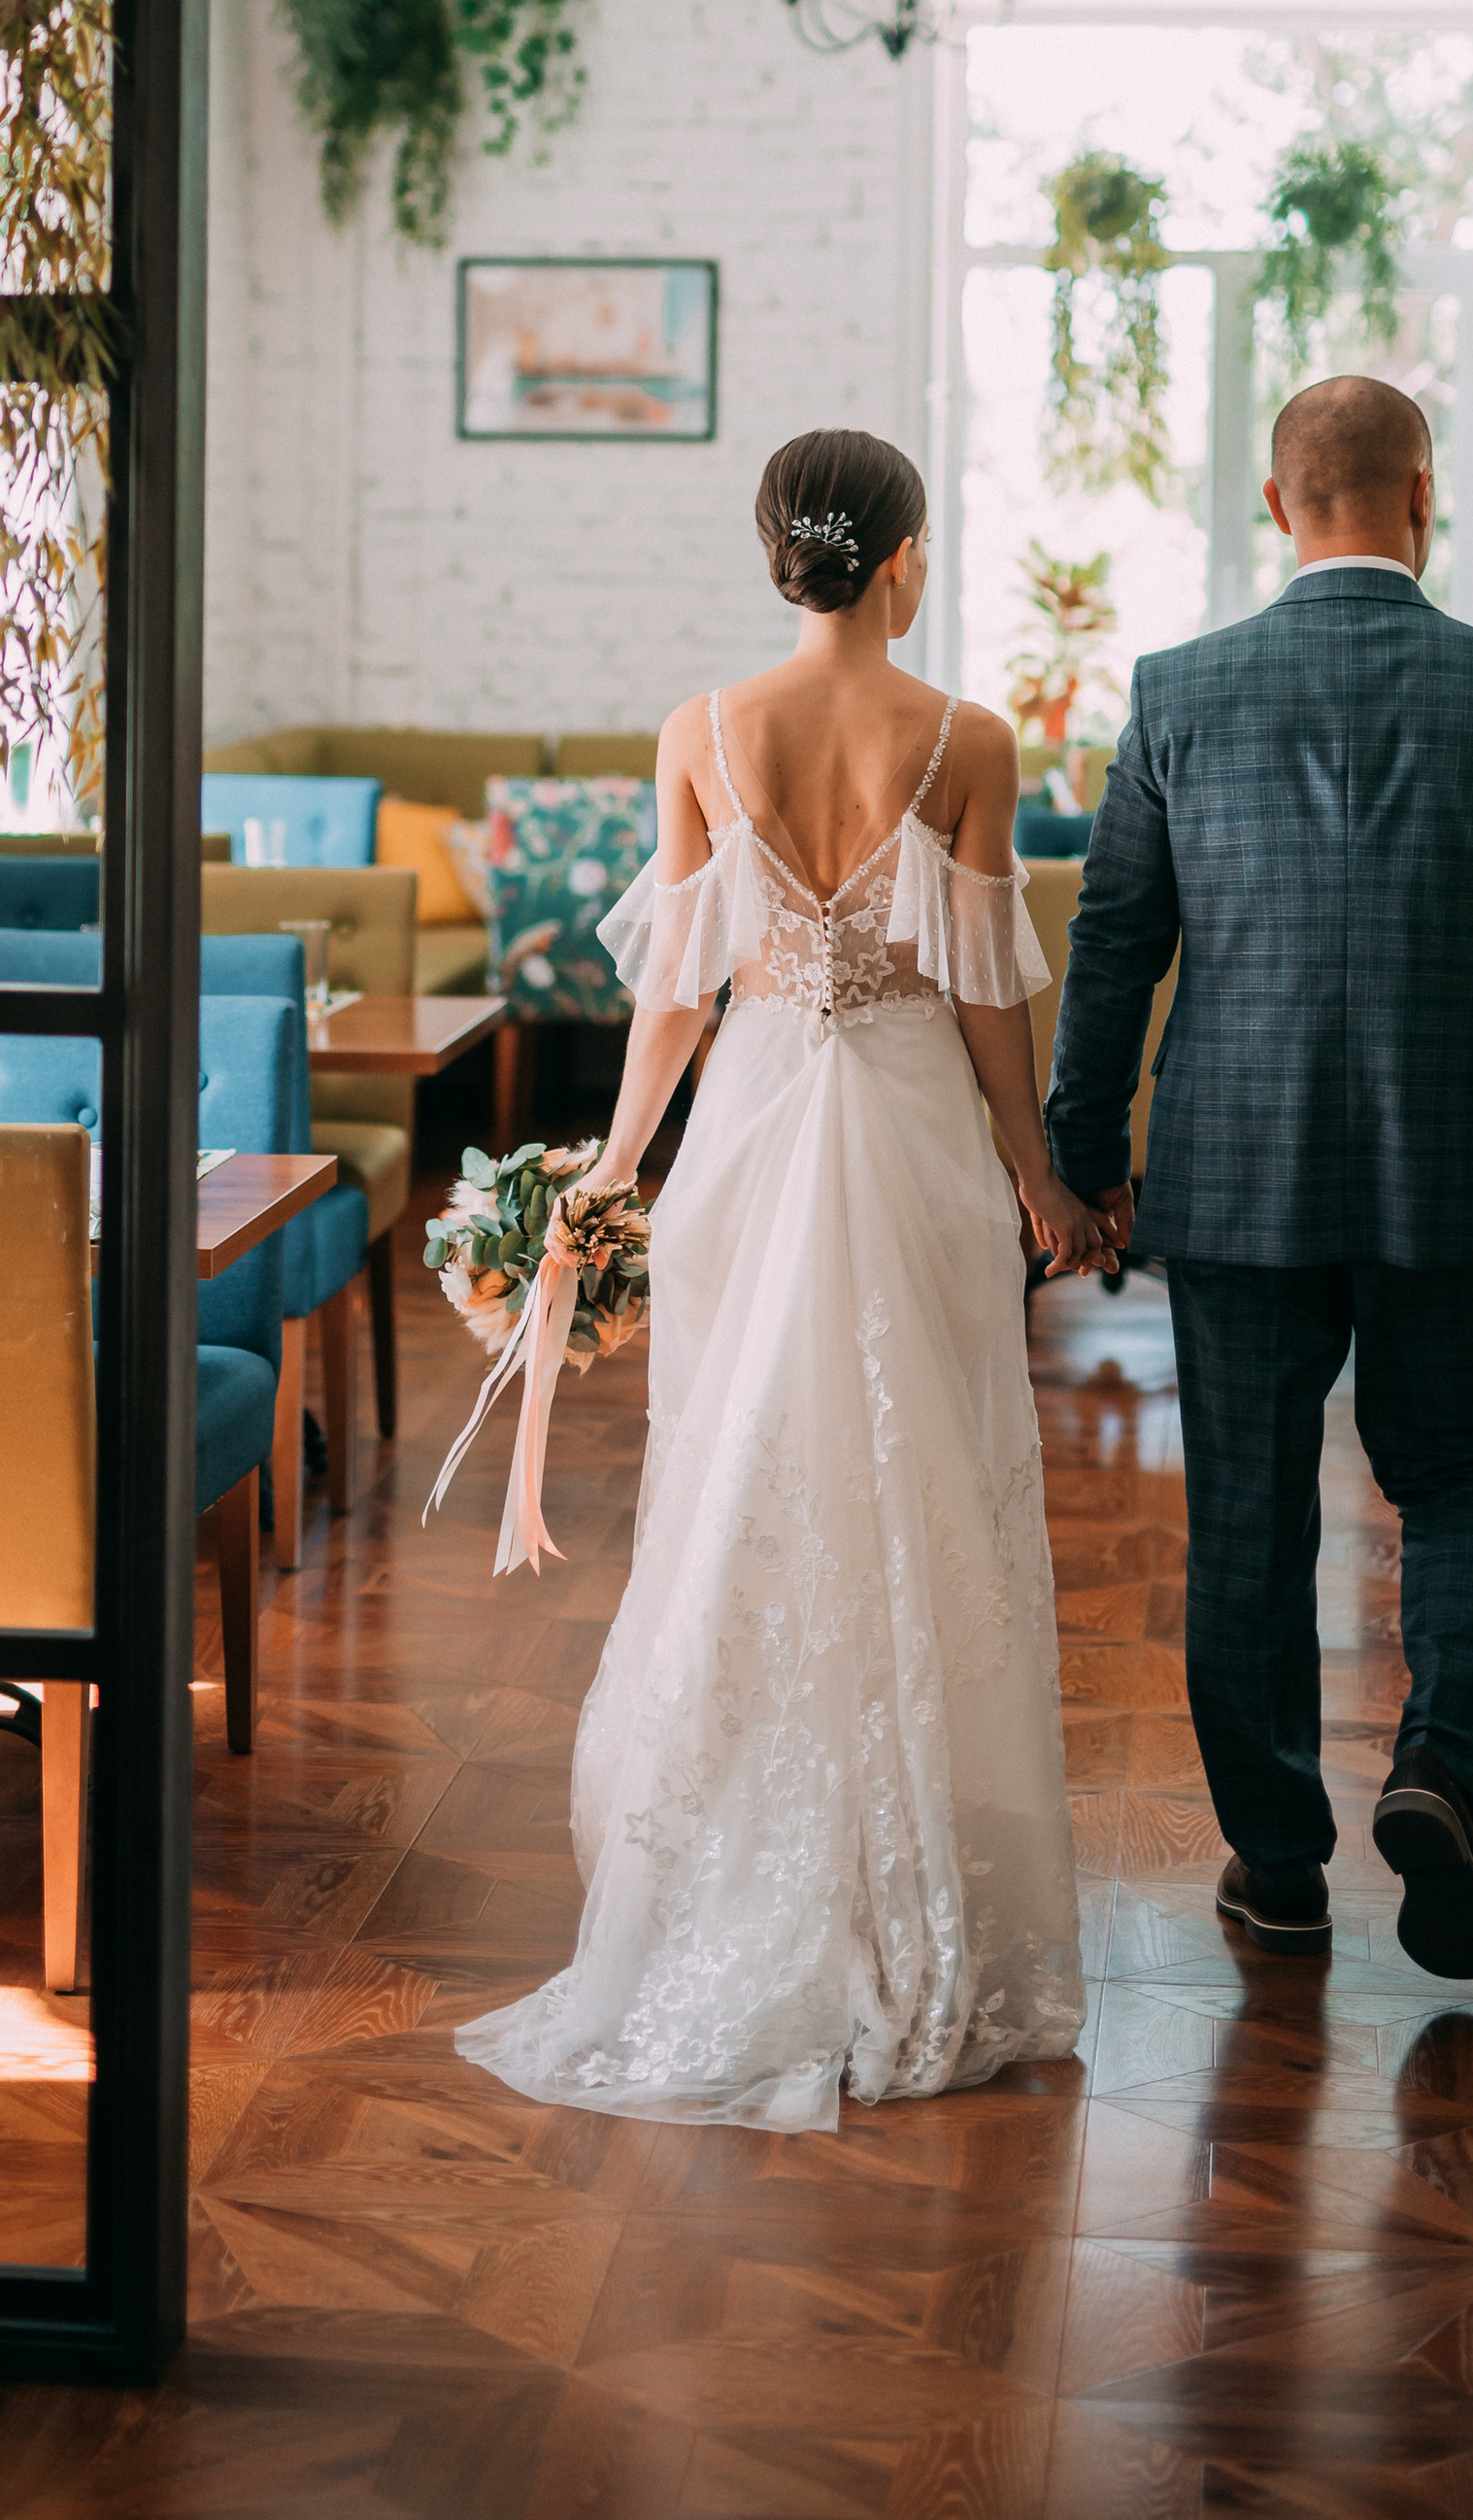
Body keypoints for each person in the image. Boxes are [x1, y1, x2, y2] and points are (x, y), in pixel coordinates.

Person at [454, 427, 1110, 2131]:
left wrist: (615, 1166)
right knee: (924, 1479)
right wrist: (1036, 1171)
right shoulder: (967, 738)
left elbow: (677, 989)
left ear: (782, 552)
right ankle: (902, 1883)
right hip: (909, 1133)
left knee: (743, 1472)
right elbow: (989, 992)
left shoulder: (703, 728)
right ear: (902, 558)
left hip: (746, 1127)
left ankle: (744, 1858)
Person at [1047, 375, 1473, 1981]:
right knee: (1460, 1480)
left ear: (1277, 506)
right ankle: (1437, 1771)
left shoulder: (1178, 690)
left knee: (1247, 1520)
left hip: (1234, 1175)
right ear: (1423, 495)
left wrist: (1084, 1159)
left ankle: (1278, 1866)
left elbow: (1115, 943)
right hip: (1448, 1168)